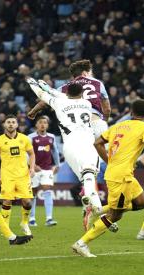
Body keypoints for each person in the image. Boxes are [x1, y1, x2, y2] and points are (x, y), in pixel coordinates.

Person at [72, 99, 144, 257]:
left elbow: (98, 143)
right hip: (120, 176)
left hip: (125, 174)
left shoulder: (118, 126)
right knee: (116, 215)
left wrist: (110, 161)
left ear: (131, 112)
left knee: (142, 202)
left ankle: (98, 210)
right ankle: (81, 243)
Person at [26, 78, 103, 230]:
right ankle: (94, 206)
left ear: (67, 92)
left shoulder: (60, 102)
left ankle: (92, 206)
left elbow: (43, 95)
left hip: (70, 145)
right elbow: (61, 95)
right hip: (87, 143)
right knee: (89, 176)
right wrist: (48, 87)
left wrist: (34, 84)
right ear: (81, 93)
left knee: (85, 177)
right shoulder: (87, 103)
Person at [28, 59, 111, 139]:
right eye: (90, 72)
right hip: (96, 122)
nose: (91, 75)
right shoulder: (98, 83)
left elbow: (44, 102)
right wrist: (104, 121)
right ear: (85, 73)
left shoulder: (66, 87)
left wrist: (33, 112)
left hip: (78, 127)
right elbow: (107, 109)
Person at [0, 116, 36, 237]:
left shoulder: (24, 139)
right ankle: (5, 227)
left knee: (27, 202)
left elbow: (31, 154)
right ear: (4, 125)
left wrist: (31, 168)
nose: (11, 124)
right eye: (8, 122)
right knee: (7, 200)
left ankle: (24, 223)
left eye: (13, 122)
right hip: (7, 175)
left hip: (23, 175)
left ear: (17, 125)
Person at [28, 116, 60, 227]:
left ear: (47, 125)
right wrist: (32, 165)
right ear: (36, 125)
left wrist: (57, 165)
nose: (42, 124)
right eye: (40, 122)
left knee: (47, 190)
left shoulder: (51, 137)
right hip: (34, 169)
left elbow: (55, 151)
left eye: (45, 123)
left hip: (47, 168)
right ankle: (31, 218)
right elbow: (26, 153)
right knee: (33, 193)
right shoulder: (31, 137)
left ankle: (49, 218)